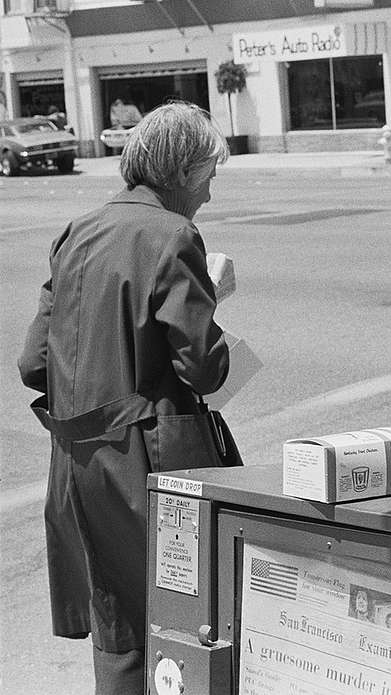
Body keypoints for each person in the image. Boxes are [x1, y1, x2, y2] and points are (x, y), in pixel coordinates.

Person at [18, 101, 232, 695]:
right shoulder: (173, 234)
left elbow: (34, 364)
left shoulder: (75, 232)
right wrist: (213, 293)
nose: (209, 194)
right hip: (149, 462)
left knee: (117, 630)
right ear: (185, 171)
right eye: (209, 177)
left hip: (78, 464)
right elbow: (204, 367)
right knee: (184, 619)